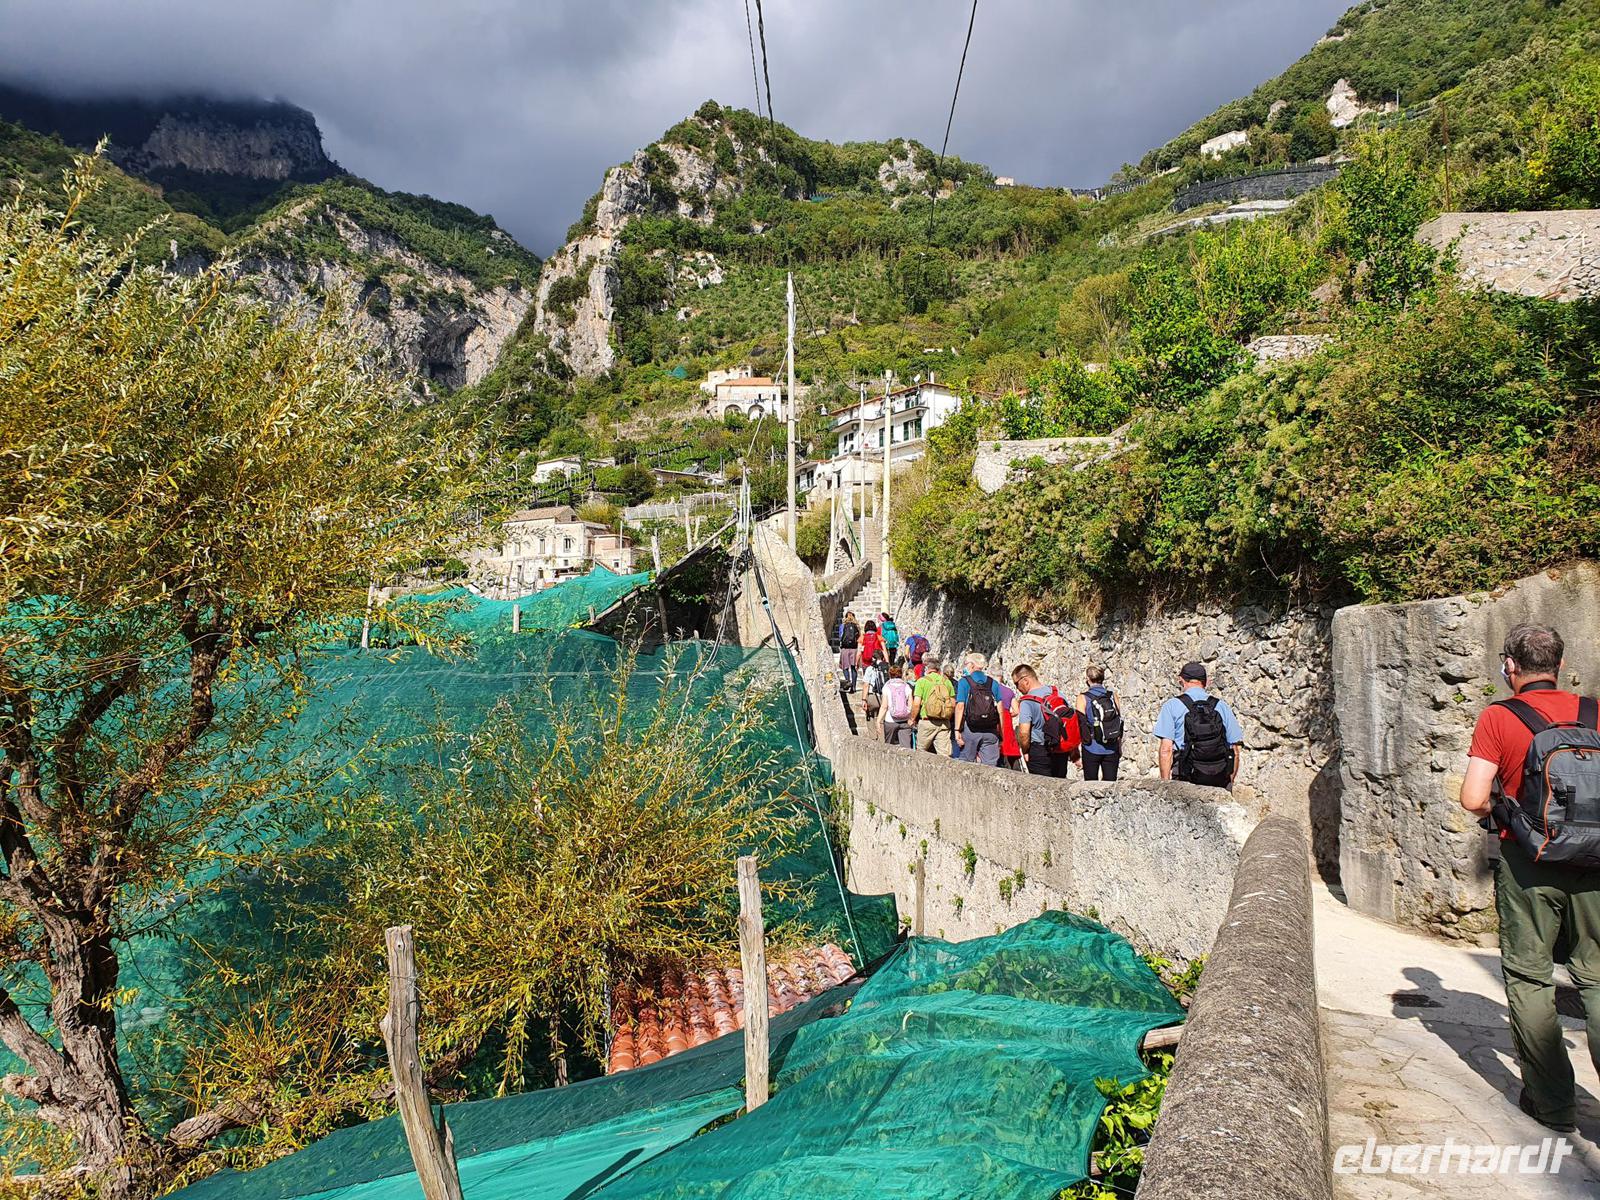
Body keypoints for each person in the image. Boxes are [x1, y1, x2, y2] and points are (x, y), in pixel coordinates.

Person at [1459, 624, 1600, 1135]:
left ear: (1509, 667)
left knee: (1530, 976)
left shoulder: (1500, 716)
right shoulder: (1595, 712)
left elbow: (1474, 798)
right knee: (1598, 979)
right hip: (1597, 867)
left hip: (1529, 864)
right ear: (1560, 665)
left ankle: (1554, 1106)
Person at [1153, 662, 1244, 788]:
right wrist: (1229, 781)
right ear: (1205, 682)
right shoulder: (1221, 706)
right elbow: (1235, 749)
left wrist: (1165, 784)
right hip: (1219, 777)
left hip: (1185, 776)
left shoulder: (1172, 706)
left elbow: (1166, 749)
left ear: (1181, 680)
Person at [1012, 665, 1075, 778]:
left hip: (1039, 751)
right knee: (1059, 785)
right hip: (1060, 749)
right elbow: (1070, 722)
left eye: (1017, 683)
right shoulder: (1057, 693)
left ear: (1025, 680)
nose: (1017, 688)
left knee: (1040, 788)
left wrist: (1025, 751)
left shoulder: (1027, 702)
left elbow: (1024, 733)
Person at [953, 651, 1005, 767]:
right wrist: (1001, 733)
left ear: (972, 665)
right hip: (990, 730)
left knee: (966, 764)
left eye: (966, 663)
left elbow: (960, 706)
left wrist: (957, 731)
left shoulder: (964, 682)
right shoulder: (993, 683)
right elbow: (1000, 710)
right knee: (991, 765)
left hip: (970, 729)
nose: (965, 666)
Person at [1077, 665, 1125, 781]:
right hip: (1111, 746)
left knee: (1090, 784)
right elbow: (1118, 720)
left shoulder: (1082, 698)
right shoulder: (1112, 695)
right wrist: (1119, 745)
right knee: (1110, 784)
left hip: (1091, 747)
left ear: (1088, 679)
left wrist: (1083, 745)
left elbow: (1081, 723)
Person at [911, 656, 956, 756]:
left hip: (927, 721)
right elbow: (953, 704)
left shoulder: (921, 681)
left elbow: (916, 703)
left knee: (921, 753)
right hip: (944, 722)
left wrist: (912, 718)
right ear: (938, 669)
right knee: (944, 756)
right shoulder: (947, 682)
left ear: (927, 669)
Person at [879, 664, 916, 749]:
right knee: (906, 749)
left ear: (890, 674)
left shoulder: (887, 686)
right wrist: (911, 718)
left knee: (889, 747)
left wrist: (878, 720)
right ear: (901, 674)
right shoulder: (906, 686)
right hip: (905, 721)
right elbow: (911, 705)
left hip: (890, 720)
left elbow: (884, 706)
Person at [861, 657, 887, 738]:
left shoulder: (870, 669)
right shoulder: (886, 668)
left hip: (872, 696)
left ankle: (873, 738)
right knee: (882, 718)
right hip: (884, 697)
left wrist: (864, 700)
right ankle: (882, 739)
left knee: (870, 716)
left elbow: (866, 685)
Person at [837, 610, 860, 693]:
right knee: (853, 668)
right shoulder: (856, 626)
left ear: (845, 617)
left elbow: (840, 637)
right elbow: (858, 637)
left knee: (845, 667)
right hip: (854, 649)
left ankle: (848, 681)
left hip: (845, 649)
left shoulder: (842, 626)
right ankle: (853, 687)